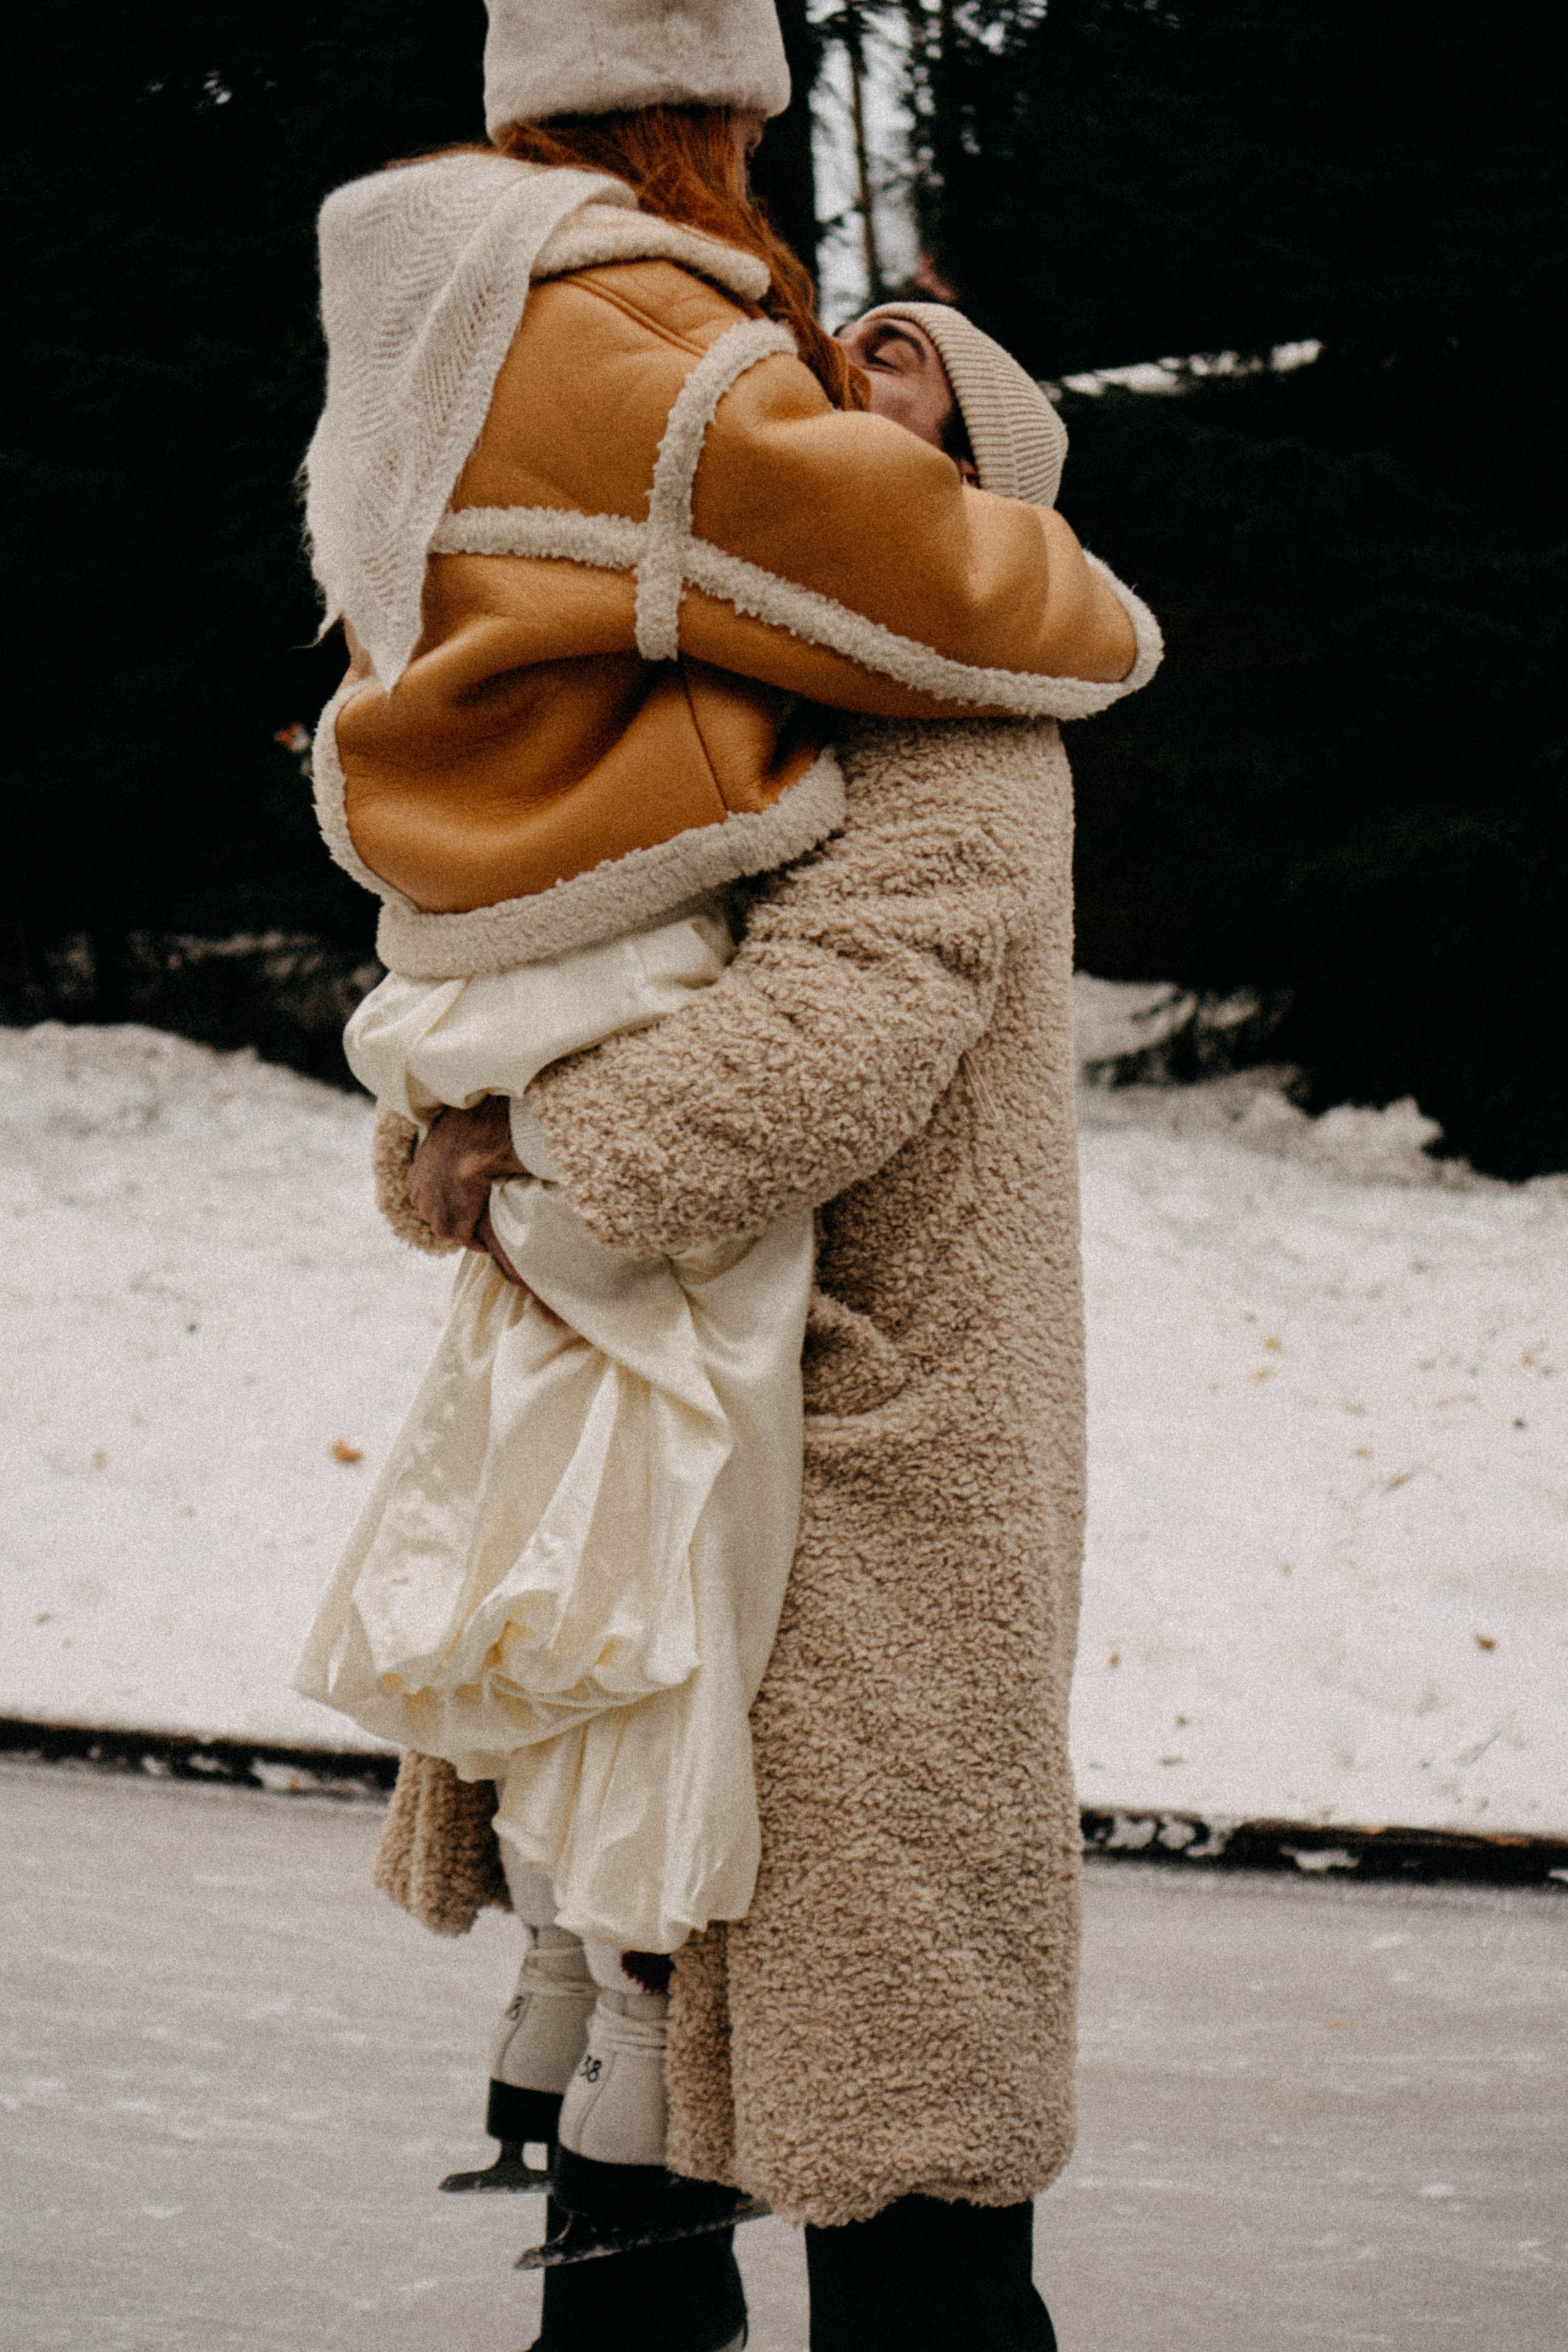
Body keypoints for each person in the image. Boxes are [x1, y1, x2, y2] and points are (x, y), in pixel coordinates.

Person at [299, 3, 1160, 2345]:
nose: (837, 378)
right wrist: (458, 1121)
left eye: (901, 374)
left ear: (976, 488)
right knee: (639, 2178)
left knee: (906, 2172)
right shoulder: (742, 741)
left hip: (883, 1491)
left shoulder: (975, 737)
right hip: (695, 1489)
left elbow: (823, 1046)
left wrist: (521, 1152)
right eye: (844, 340)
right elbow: (584, 974)